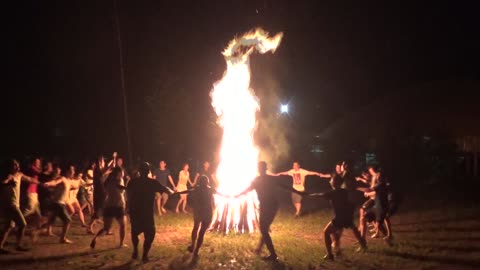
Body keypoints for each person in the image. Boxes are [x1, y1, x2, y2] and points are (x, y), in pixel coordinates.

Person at [238, 161, 303, 261]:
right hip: (272, 205)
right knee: (265, 228)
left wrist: (235, 195)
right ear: (265, 168)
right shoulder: (270, 179)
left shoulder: (257, 180)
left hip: (267, 206)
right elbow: (286, 186)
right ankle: (259, 249)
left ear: (260, 169)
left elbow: (247, 190)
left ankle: (273, 254)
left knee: (264, 229)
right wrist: (298, 191)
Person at [309, 175, 367, 261]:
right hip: (347, 215)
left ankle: (330, 255)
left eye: (331, 180)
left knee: (326, 232)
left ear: (334, 182)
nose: (330, 181)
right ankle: (362, 245)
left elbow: (320, 195)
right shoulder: (344, 191)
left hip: (340, 218)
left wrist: (310, 195)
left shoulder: (333, 193)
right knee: (351, 228)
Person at [127, 162, 173, 262]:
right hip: (146, 213)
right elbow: (164, 189)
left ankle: (136, 251)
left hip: (136, 211)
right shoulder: (152, 182)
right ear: (148, 171)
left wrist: (129, 208)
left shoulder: (133, 182)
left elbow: (129, 195)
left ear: (139, 171)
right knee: (150, 234)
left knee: (135, 232)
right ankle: (143, 255)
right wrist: (171, 191)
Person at [0, 159, 40, 253]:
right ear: (10, 167)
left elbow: (30, 179)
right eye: (15, 165)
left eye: (18, 165)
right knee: (23, 224)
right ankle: (18, 245)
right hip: (11, 205)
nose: (17, 167)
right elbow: (3, 182)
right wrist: (8, 183)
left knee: (8, 226)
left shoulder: (19, 175)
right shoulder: (9, 176)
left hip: (14, 204)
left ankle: (1, 246)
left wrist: (41, 183)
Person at [175, 175, 215, 257]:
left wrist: (176, 192)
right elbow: (222, 194)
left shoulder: (197, 189)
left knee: (196, 228)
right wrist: (235, 195)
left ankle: (193, 245)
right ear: (207, 182)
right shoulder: (210, 189)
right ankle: (196, 249)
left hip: (199, 212)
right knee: (202, 232)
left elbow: (187, 191)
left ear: (199, 182)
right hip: (207, 213)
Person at [90, 167, 127, 249]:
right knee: (123, 225)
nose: (123, 173)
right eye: (122, 172)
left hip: (108, 206)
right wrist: (127, 187)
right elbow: (119, 186)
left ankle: (95, 238)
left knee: (106, 228)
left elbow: (108, 188)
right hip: (118, 206)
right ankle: (121, 243)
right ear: (119, 173)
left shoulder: (109, 181)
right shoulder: (117, 180)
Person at [43, 165, 80, 244]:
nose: (73, 172)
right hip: (58, 203)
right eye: (71, 170)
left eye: (73, 170)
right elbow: (55, 182)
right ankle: (62, 239)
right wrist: (48, 183)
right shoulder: (62, 178)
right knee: (67, 220)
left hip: (59, 203)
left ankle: (36, 232)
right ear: (67, 171)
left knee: (51, 221)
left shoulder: (68, 181)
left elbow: (74, 186)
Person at [364, 166, 393, 244]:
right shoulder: (379, 183)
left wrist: (356, 187)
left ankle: (388, 238)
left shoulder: (381, 184)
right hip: (377, 206)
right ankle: (387, 236)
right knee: (366, 215)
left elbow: (370, 189)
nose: (378, 176)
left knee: (379, 224)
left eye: (379, 176)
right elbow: (372, 190)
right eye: (378, 175)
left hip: (381, 207)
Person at [87, 156, 113, 234]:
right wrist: (112, 161)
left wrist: (111, 166)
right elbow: (105, 171)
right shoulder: (97, 170)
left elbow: (105, 174)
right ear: (99, 162)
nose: (104, 162)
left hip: (101, 192)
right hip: (100, 193)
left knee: (104, 211)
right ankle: (89, 227)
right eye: (102, 161)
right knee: (98, 211)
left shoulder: (98, 171)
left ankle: (106, 229)